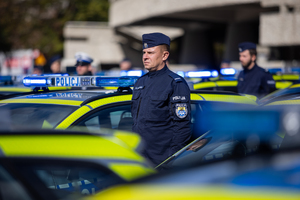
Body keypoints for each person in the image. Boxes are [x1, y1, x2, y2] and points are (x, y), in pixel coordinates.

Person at [131, 32, 191, 166]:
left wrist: (172, 158)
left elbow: (182, 126)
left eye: (150, 53)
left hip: (162, 160)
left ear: (165, 55)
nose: (145, 57)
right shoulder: (140, 82)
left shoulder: (175, 83)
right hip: (139, 157)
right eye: (144, 52)